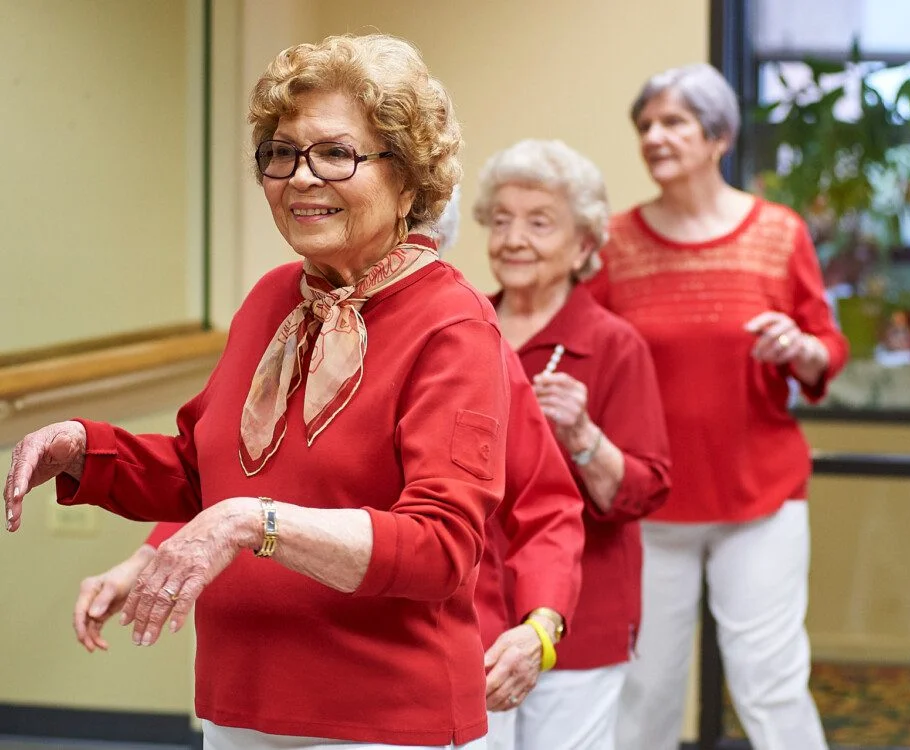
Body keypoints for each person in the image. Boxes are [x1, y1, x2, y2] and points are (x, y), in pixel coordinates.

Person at [6, 34, 511, 750]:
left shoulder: (452, 323)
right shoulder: (273, 300)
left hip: (385, 720)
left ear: (409, 179)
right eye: (281, 153)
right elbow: (197, 472)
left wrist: (255, 523)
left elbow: (440, 547)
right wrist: (84, 450)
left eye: (336, 153)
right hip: (241, 705)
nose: (300, 178)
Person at [73, 190, 589, 749]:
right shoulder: (283, 324)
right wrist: (147, 558)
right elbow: (238, 473)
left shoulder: (462, 339)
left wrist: (542, 627)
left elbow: (547, 507)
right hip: (260, 681)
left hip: (419, 664)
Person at [583, 63, 849, 750]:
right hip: (650, 504)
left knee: (769, 684)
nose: (654, 136)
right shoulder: (613, 242)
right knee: (644, 689)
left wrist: (799, 349)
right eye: (645, 125)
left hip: (759, 496)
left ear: (718, 135)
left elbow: (825, 347)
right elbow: (584, 350)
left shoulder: (779, 232)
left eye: (673, 122)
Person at [472, 139, 672, 750]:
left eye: (539, 222)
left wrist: (584, 436)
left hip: (579, 618)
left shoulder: (614, 345)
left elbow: (645, 489)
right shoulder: (462, 327)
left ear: (584, 245)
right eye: (501, 220)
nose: (513, 238)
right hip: (470, 607)